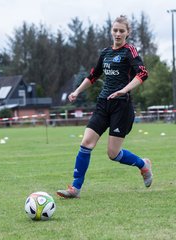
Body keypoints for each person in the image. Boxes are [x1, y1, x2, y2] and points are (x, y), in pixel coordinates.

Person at [57, 15, 153, 198]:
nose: (118, 34)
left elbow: (143, 73)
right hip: (103, 103)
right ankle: (75, 188)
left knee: (113, 153)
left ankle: (143, 165)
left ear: (127, 33)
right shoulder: (105, 53)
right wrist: (77, 91)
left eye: (121, 31)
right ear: (111, 31)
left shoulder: (129, 51)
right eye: (115, 30)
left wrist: (124, 90)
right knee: (86, 143)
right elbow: (93, 75)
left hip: (121, 107)